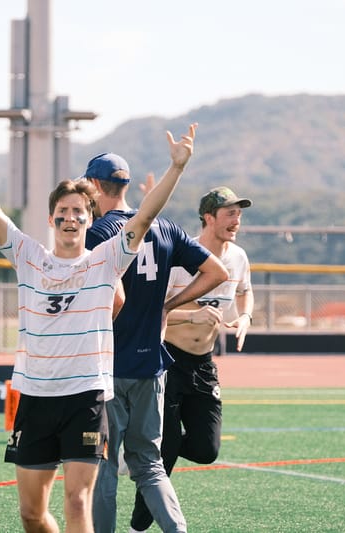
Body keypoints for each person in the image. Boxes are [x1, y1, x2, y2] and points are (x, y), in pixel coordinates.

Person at [0, 121, 197, 533]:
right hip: (36, 396)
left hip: (86, 398)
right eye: (63, 212)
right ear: (51, 218)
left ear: (90, 220)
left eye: (79, 211)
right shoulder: (28, 255)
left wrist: (177, 168)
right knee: (32, 515)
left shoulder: (106, 260)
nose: (71, 217)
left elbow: (145, 216)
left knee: (78, 502)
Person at [83, 157, 228, 532]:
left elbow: (107, 298)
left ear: (95, 186)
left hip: (109, 367)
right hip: (153, 367)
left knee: (103, 466)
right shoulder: (166, 227)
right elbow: (217, 272)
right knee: (149, 464)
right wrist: (170, 305)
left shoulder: (98, 232)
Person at [130, 186, 254, 532]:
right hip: (169, 361)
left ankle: (140, 452)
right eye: (230, 213)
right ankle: (137, 527)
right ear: (208, 217)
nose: (237, 220)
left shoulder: (239, 257)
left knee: (206, 449)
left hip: (204, 364)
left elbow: (245, 292)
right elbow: (154, 308)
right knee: (165, 452)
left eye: (239, 213)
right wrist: (191, 315)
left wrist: (245, 317)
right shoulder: (183, 256)